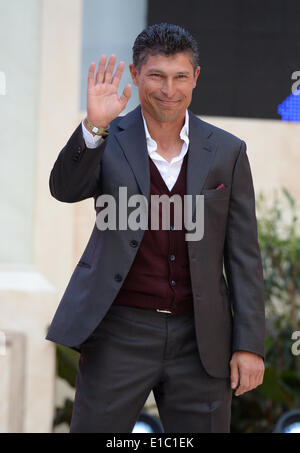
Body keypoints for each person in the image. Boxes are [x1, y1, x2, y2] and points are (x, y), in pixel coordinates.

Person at [46, 23, 265, 433]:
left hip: (201, 339)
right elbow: (64, 189)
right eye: (157, 76)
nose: (169, 89)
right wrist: (94, 127)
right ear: (135, 74)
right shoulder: (109, 137)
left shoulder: (227, 151)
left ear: (196, 78)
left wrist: (249, 345)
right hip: (119, 332)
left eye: (181, 76)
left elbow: (244, 256)